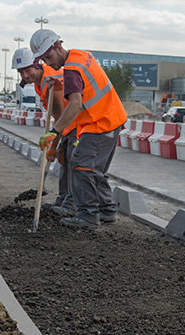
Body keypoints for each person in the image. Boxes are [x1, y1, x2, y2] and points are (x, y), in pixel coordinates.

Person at [29, 29, 128, 229]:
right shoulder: (80, 56)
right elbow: (85, 80)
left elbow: (74, 105)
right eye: (43, 60)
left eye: (49, 57)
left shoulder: (72, 70)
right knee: (94, 169)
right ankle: (107, 210)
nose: (48, 63)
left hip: (101, 122)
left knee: (81, 164)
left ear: (58, 46)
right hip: (109, 117)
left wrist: (54, 132)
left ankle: (88, 215)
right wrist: (62, 81)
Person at [11, 47, 74, 217]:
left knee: (73, 162)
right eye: (20, 72)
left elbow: (61, 115)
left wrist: (53, 146)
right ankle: (62, 199)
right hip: (67, 126)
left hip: (77, 124)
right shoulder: (41, 82)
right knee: (64, 161)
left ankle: (70, 205)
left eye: (27, 70)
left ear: (37, 65)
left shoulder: (50, 80)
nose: (25, 76)